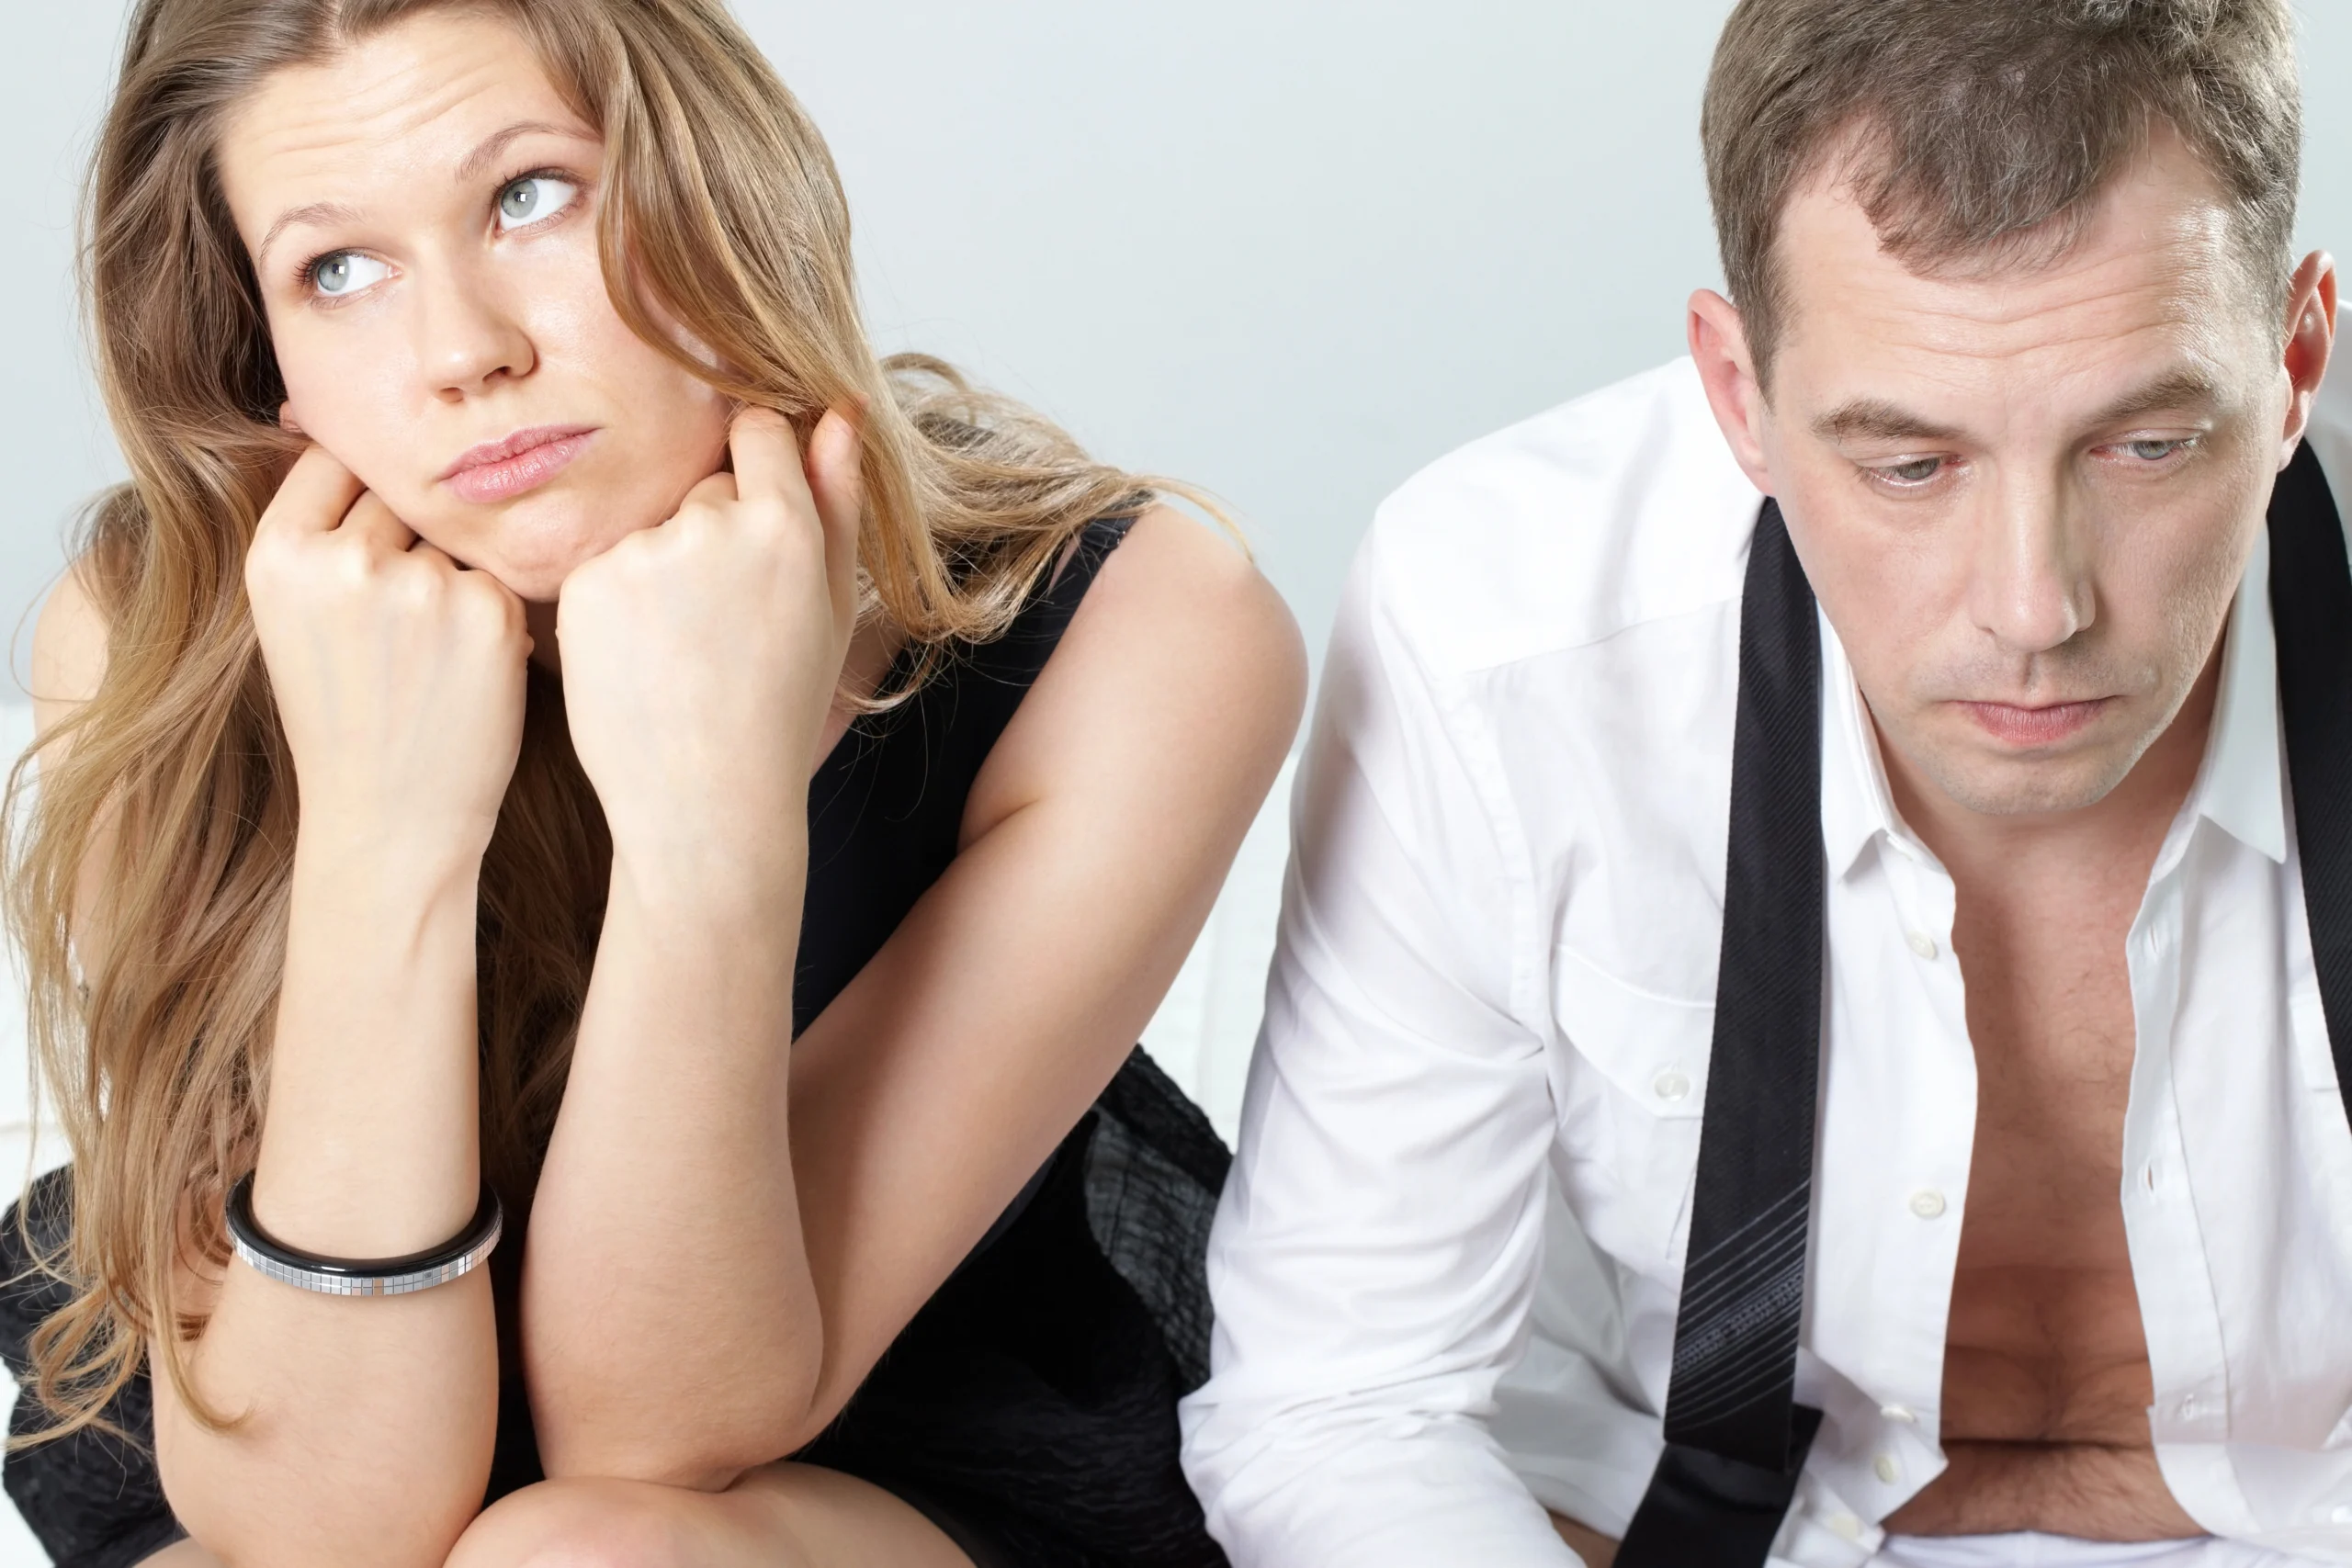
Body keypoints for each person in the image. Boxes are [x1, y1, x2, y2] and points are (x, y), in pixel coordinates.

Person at [0, 1, 1306, 1565]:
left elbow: (649, 1438)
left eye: (529, 193)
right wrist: (384, 836)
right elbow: (321, 1515)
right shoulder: (156, 640)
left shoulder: (1139, 625)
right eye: (335, 269)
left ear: (723, 196)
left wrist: (708, 820)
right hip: (319, 1419)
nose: (465, 349)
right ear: (273, 373)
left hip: (858, 1466)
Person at [1181, 1, 2351, 1565]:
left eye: (2141, 443)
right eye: (1909, 464)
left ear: (2293, 358)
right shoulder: (1503, 643)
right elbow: (1341, 1404)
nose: (2035, 607)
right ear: (1738, 394)